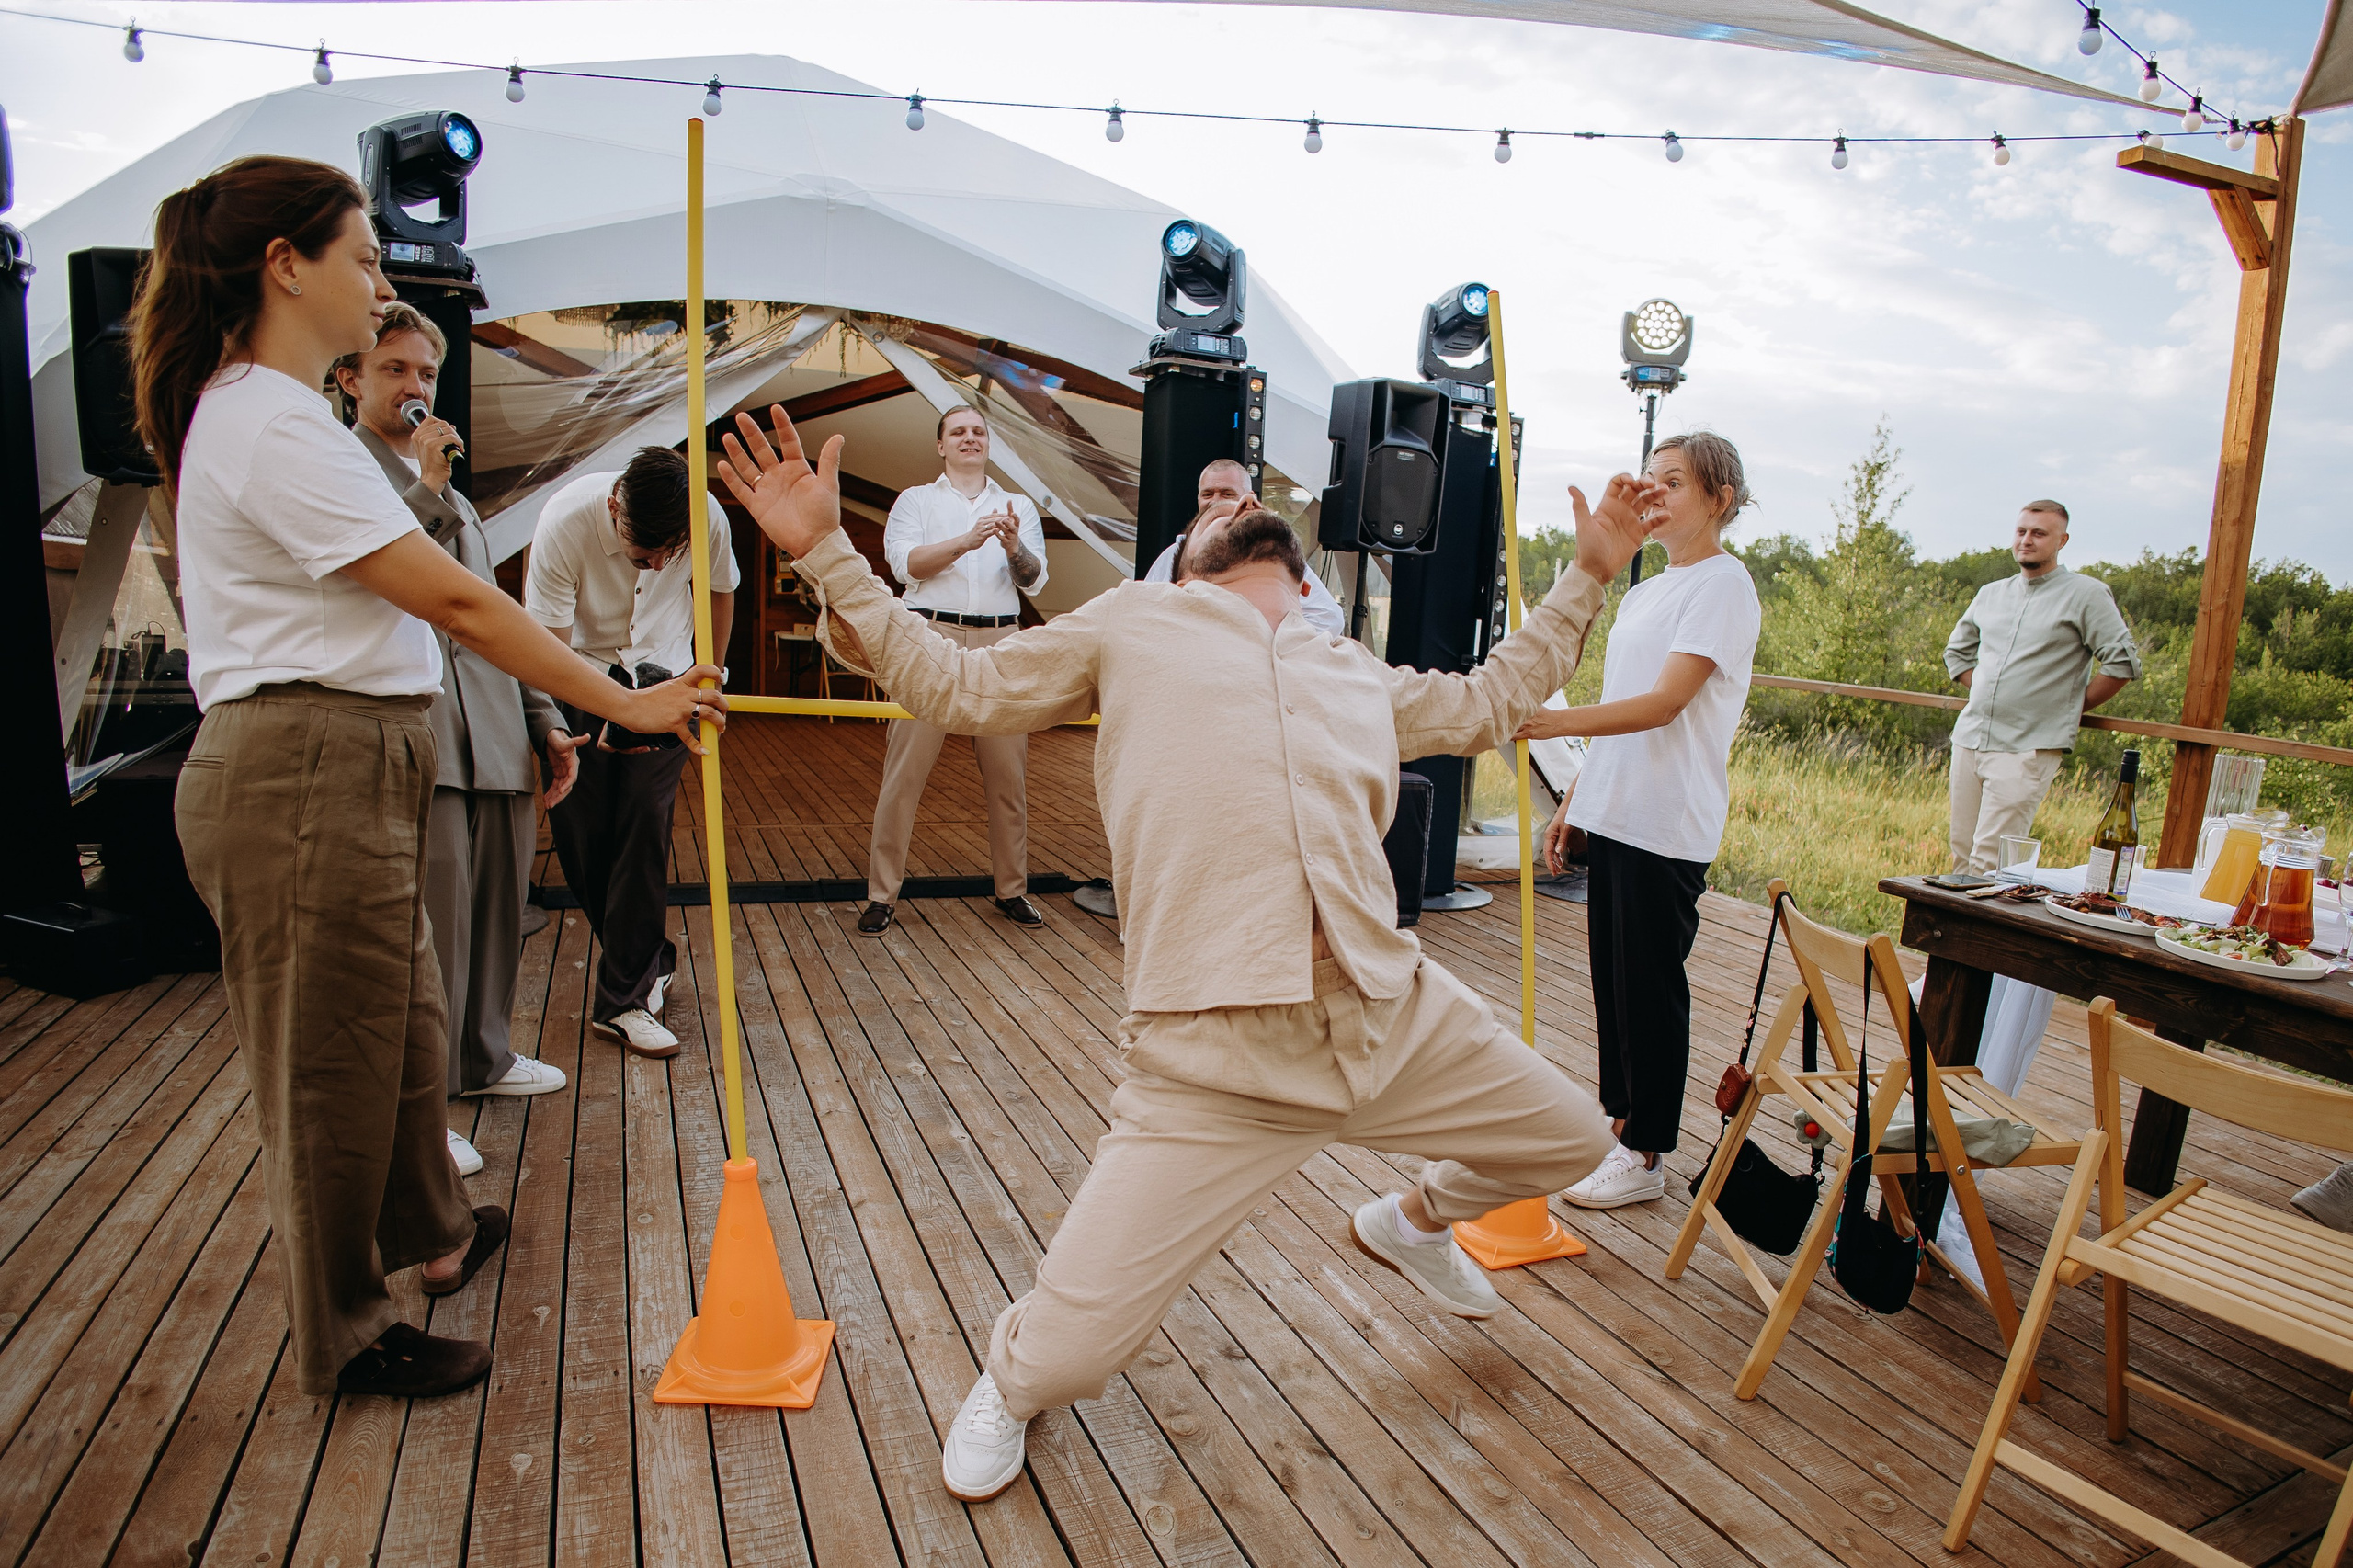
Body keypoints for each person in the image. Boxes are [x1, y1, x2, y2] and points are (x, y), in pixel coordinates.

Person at [716, 403, 1654, 1505]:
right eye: (1217, 512)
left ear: (1305, 576)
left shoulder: (1348, 664)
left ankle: (1406, 1220)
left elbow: (1494, 701)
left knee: (1568, 1135)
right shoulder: (1129, 623)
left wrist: (1589, 571)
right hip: (1212, 1061)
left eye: (1255, 505)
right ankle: (1011, 1378)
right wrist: (822, 546)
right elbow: (953, 684)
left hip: (1388, 1015)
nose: (1240, 512)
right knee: (1069, 1361)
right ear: (1184, 561)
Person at [138, 156, 721, 1400]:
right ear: (284, 268)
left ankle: (436, 1231)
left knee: (396, 1023)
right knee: (329, 1065)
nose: (380, 280)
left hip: (344, 758)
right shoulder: (266, 416)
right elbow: (453, 595)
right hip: (303, 765)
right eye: (363, 256)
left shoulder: (279, 409)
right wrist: (620, 700)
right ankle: (348, 1330)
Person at [332, 302, 574, 1181]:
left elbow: (493, 615)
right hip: (421, 729)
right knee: (426, 927)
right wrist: (428, 489)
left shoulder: (456, 494)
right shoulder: (346, 473)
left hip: (495, 732)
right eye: (394, 370)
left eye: (426, 374)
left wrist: (545, 718)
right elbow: (389, 586)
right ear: (351, 379)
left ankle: (485, 1054)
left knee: (497, 907)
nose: (415, 389)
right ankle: (421, 1113)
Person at [1526, 432, 1763, 1211]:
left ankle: (1647, 1149)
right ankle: (1618, 1126)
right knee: (1613, 986)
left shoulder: (1723, 586)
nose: (1653, 495)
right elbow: (1622, 714)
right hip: (1617, 808)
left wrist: (1552, 725)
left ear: (1718, 499)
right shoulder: (1643, 590)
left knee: (1651, 990)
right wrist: (1574, 800)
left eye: (1674, 483)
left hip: (1668, 819)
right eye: (1649, 481)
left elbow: (1665, 705)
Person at [525, 449, 736, 1057]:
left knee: (644, 823)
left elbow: (720, 592)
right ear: (614, 506)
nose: (661, 565)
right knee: (582, 836)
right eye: (645, 554)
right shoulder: (565, 521)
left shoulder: (709, 517)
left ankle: (624, 999)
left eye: (673, 552)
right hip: (578, 678)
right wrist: (559, 719)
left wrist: (711, 678)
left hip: (668, 679)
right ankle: (648, 959)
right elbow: (548, 642)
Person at [858, 404, 1049, 937]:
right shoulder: (915, 500)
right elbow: (907, 566)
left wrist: (1012, 545)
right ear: (941, 445)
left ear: (988, 444)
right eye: (958, 432)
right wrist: (968, 539)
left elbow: (1033, 581)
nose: (970, 438)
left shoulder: (1020, 507)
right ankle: (881, 895)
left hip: (1000, 639)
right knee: (904, 773)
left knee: (1008, 775)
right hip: (930, 636)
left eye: (979, 432)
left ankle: (1012, 890)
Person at [1944, 501, 2141, 873]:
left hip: (2027, 748)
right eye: (2021, 531)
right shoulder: (1991, 593)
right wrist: (1985, 691)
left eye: (2039, 533)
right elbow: (1957, 652)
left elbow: (2122, 663)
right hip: (1970, 738)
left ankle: (1987, 932)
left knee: (1993, 862)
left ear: (2062, 540)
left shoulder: (2086, 594)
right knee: (1961, 854)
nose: (2027, 540)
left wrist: (2068, 708)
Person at [1142, 458, 1346, 635]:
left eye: (1227, 494)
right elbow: (1144, 611)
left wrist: (1274, 646)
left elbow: (1329, 617)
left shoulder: (1270, 553)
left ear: (1249, 497)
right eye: (1207, 494)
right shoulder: (1174, 554)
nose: (1215, 501)